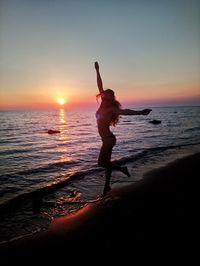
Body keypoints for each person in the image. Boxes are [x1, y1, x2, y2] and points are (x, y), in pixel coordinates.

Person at [94, 61, 152, 196]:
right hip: (107, 139)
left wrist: (140, 113)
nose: (105, 96)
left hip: (108, 139)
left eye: (107, 96)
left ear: (111, 98)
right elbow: (99, 85)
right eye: (104, 95)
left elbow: (126, 111)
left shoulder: (112, 108)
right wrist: (97, 71)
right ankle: (107, 186)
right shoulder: (102, 105)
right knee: (107, 163)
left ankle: (122, 169)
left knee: (101, 163)